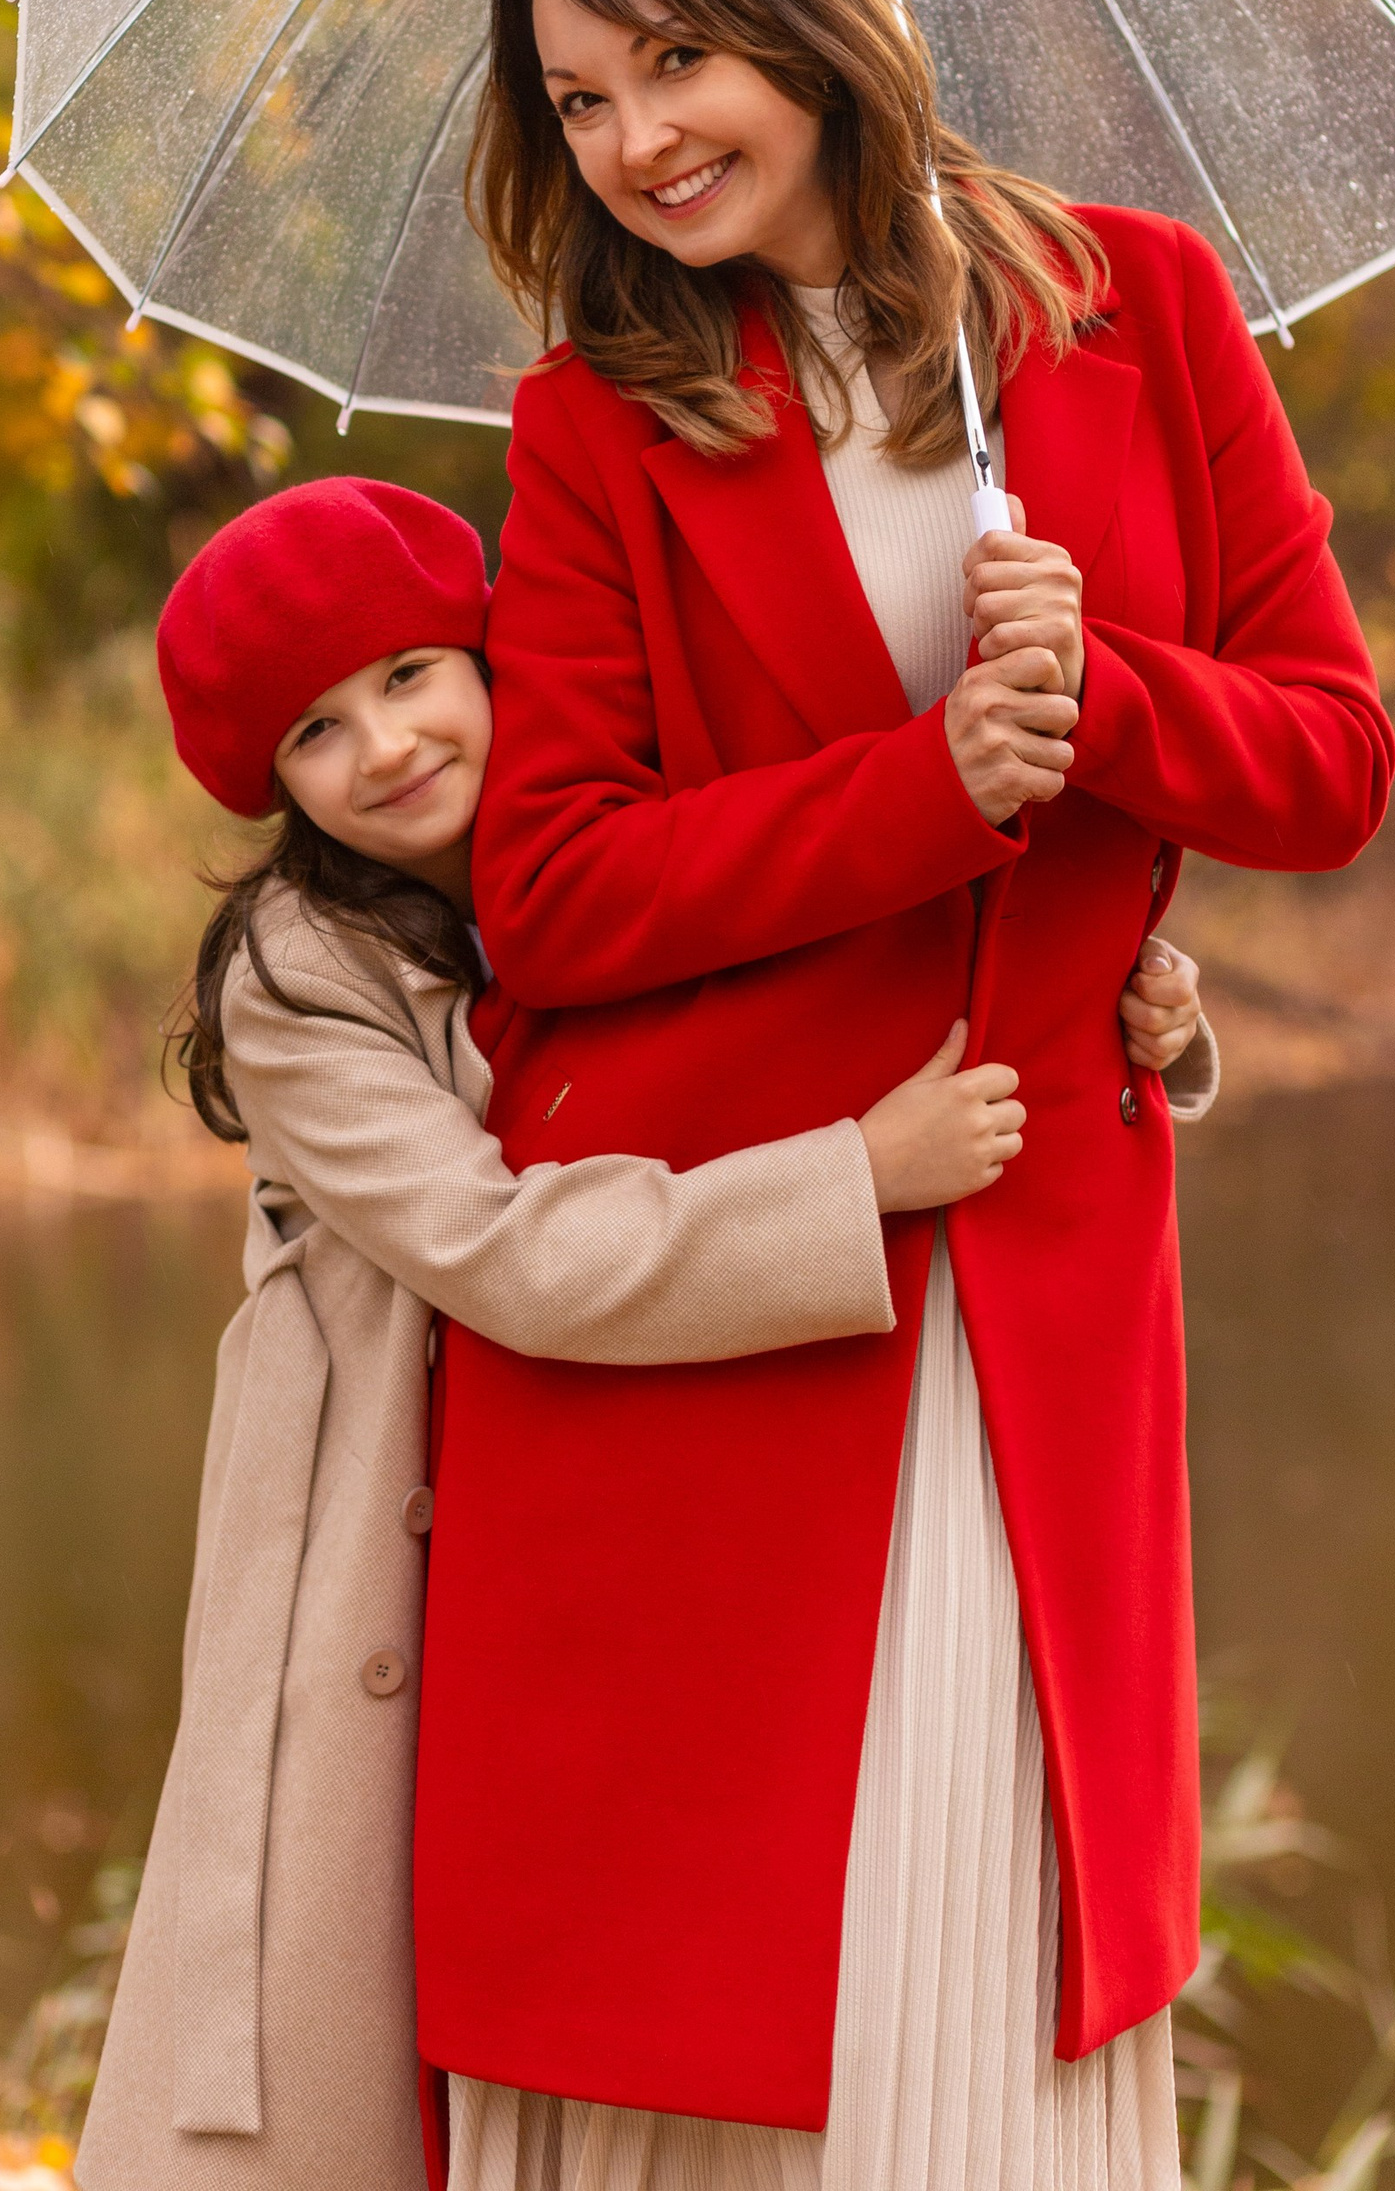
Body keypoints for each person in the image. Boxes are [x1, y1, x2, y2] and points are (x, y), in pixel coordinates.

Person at [416, 0, 1392, 2190]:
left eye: (674, 60)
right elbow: (546, 891)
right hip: (734, 1279)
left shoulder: (1140, 311)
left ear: (810, 29)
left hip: (1035, 1275)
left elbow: (1332, 765)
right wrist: (922, 781)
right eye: (572, 102)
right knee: (715, 1979)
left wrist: (1118, 694)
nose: (635, 139)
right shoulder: (598, 425)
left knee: (990, 1962)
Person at [75, 471, 1216, 2191]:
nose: (382, 748)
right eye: (315, 734)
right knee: (356, 2037)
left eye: (406, 677)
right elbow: (500, 1247)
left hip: (626, 1508)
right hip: (387, 1546)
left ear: (485, 653)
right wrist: (855, 1181)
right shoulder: (303, 977)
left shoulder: (620, 831)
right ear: (275, 790)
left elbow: (853, 968)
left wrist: (1149, 1008)